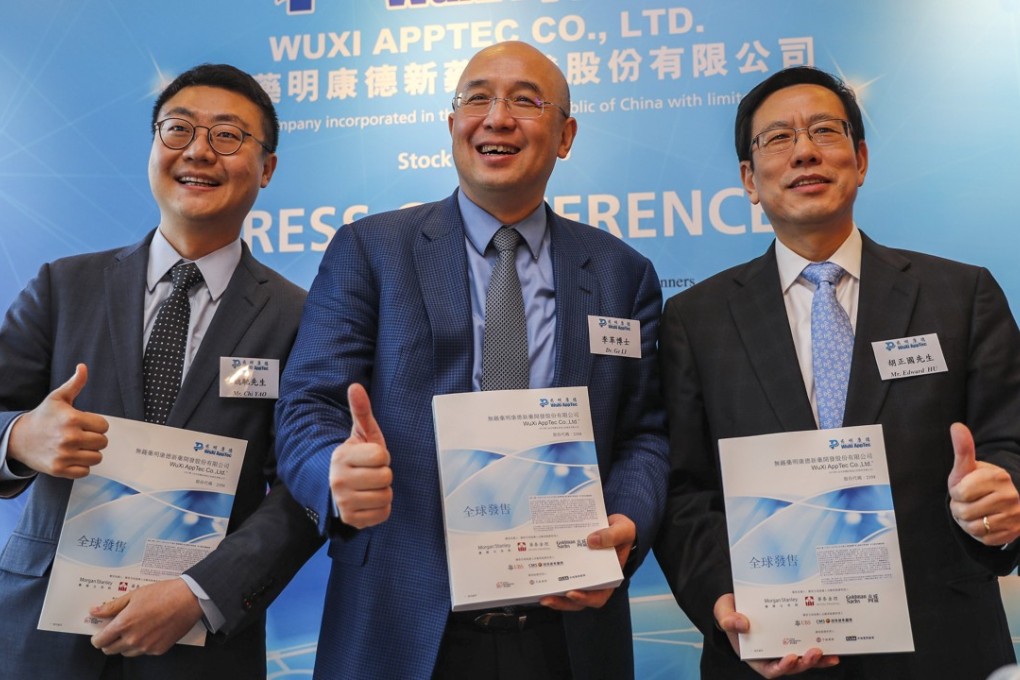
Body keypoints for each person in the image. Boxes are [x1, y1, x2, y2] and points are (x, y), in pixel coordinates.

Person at [274, 40, 670, 679]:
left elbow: (643, 433)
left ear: (565, 136)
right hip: (401, 620)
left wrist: (628, 519)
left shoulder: (622, 273)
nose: (497, 118)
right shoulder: (371, 250)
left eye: (525, 101)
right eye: (477, 99)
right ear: (452, 124)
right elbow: (307, 405)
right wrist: (333, 470)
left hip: (568, 628)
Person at [653, 65, 1020, 679]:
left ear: (861, 159)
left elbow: (1010, 440)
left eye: (825, 130)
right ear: (749, 180)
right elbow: (684, 488)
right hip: (769, 644)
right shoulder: (696, 319)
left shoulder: (961, 295)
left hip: (941, 645)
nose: (804, 152)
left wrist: (1003, 497)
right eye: (778, 138)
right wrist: (722, 600)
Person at [0, 63, 322, 679]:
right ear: (153, 146)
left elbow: (304, 489)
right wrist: (18, 438)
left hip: (198, 646)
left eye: (227, 135)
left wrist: (202, 594)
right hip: (38, 637)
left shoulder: (300, 318)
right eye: (178, 129)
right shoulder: (64, 287)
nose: (198, 151)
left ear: (267, 168)